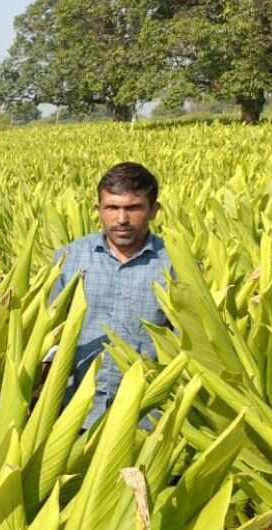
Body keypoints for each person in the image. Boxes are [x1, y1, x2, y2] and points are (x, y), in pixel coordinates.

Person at [51, 161, 173, 427]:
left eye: (133, 208)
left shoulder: (174, 265)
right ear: (98, 210)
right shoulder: (69, 259)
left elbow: (189, 343)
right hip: (78, 413)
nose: (121, 219)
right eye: (112, 208)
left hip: (147, 415)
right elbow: (50, 337)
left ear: (154, 210)